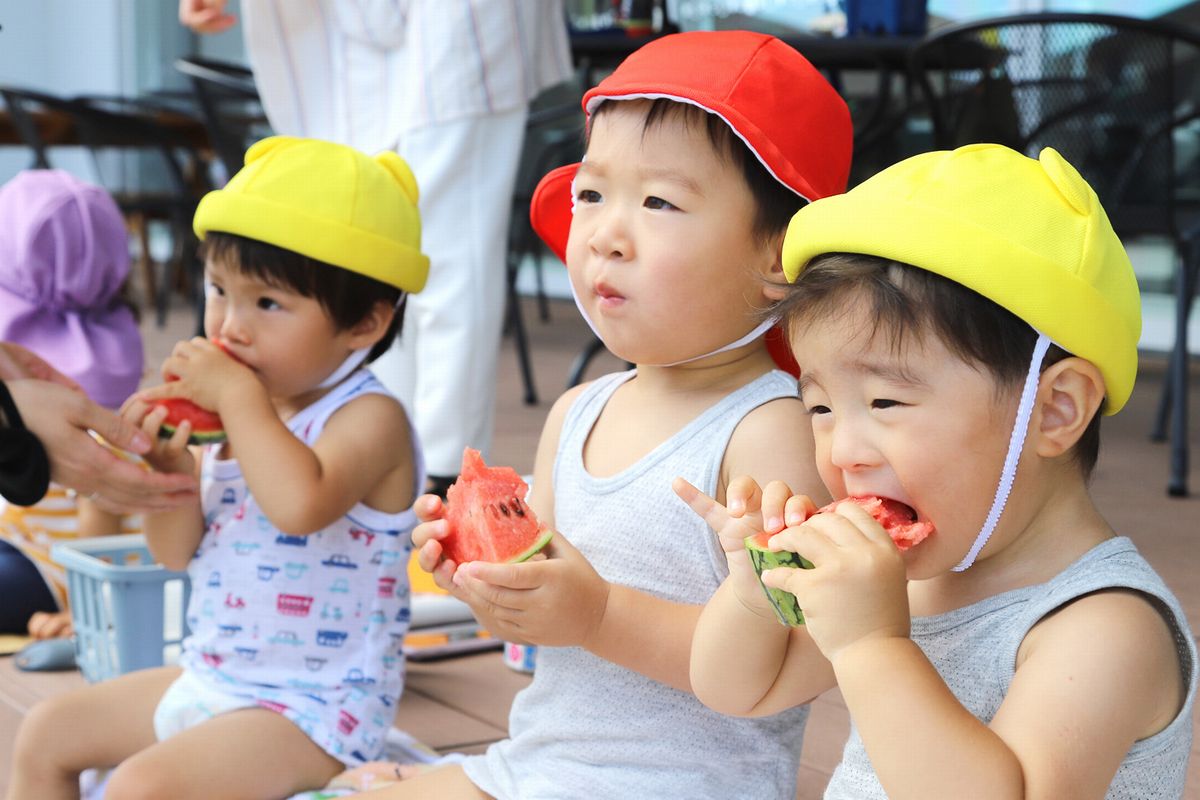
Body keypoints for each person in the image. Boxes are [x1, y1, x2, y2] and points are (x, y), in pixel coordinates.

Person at [348, 30, 854, 799]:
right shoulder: (578, 411)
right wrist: (486, 580)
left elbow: (777, 674)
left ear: (776, 261)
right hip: (538, 768)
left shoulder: (771, 433)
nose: (607, 235)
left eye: (659, 201)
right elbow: (550, 596)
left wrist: (598, 615)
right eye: (591, 194)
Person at [684, 143, 1198, 798]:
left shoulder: (1105, 628)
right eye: (818, 405)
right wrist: (754, 599)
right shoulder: (904, 576)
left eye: (885, 402)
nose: (843, 450)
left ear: (1055, 411)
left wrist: (873, 647)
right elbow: (740, 690)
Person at [6, 136, 430, 800]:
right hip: (213, 676)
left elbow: (300, 503)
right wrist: (169, 469)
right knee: (46, 732)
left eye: (268, 304)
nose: (230, 327)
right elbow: (178, 553)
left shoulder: (369, 419)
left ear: (365, 323)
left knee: (141, 788)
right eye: (218, 291)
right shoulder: (238, 422)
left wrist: (235, 398)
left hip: (315, 710)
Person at [179, 0, 573, 496]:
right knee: (361, 253)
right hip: (343, 26)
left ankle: (449, 472)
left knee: (454, 248)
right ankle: (378, 452)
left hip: (458, 22)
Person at [0, 170, 146, 638]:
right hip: (23, 545)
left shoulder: (73, 391)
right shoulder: (110, 351)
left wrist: (86, 610)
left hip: (55, 572)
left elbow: (98, 506)